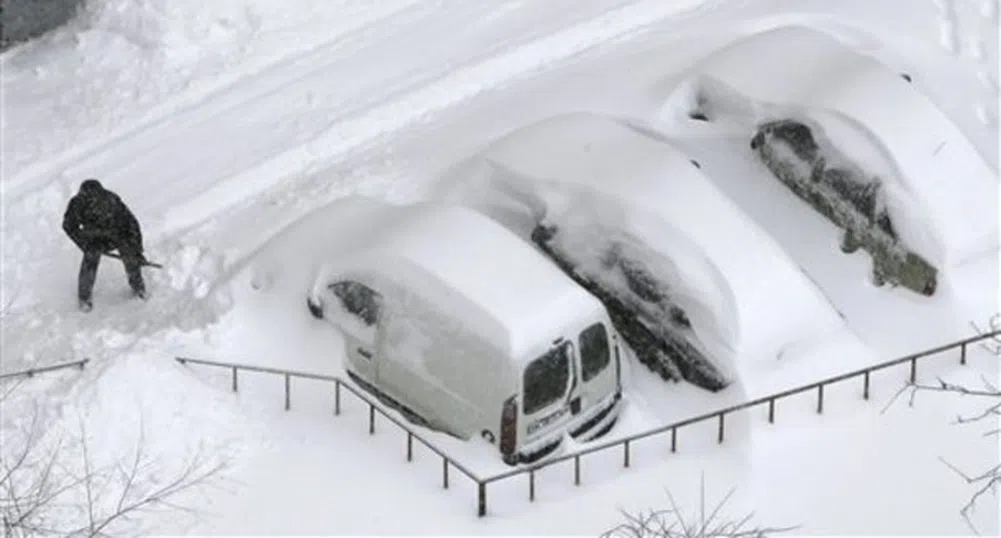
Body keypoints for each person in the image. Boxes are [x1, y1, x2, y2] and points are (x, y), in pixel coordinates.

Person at [62, 179, 147, 312]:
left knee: (121, 256)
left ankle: (137, 289)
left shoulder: (102, 201)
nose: (93, 199)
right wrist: (83, 243)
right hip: (106, 236)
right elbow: (69, 226)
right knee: (98, 257)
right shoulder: (83, 202)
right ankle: (85, 298)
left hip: (109, 235)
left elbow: (131, 224)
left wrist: (137, 251)